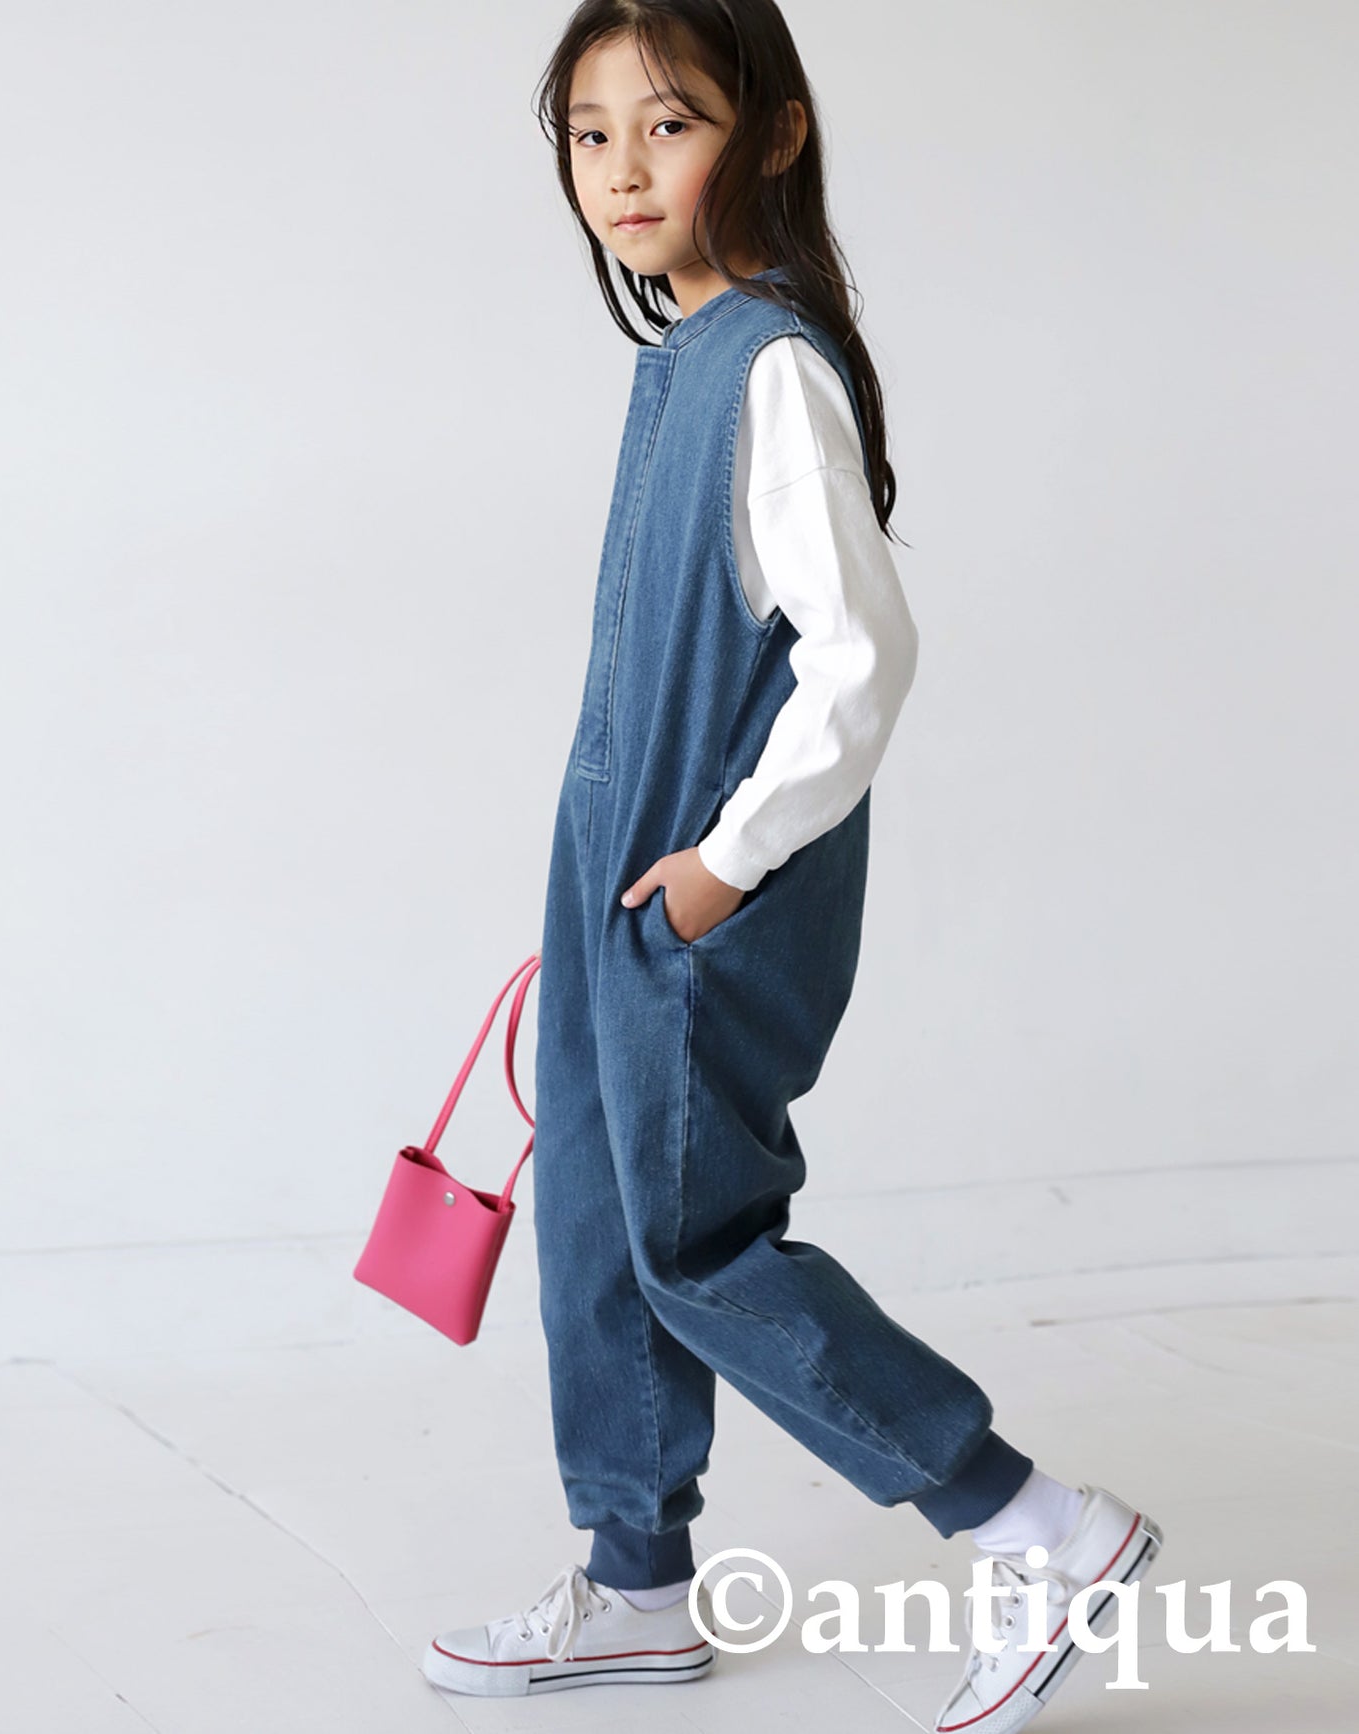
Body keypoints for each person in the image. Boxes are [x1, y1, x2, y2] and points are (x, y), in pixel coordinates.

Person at [421, 4, 1163, 1728]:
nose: (621, 168)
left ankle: (1035, 1524)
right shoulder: (686, 358)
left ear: (767, 131)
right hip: (619, 874)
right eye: (590, 132)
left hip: (703, 891)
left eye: (666, 124)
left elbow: (860, 658)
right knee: (599, 1215)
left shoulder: (766, 365)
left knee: (696, 1237)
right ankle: (636, 1582)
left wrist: (720, 864)